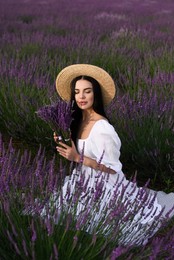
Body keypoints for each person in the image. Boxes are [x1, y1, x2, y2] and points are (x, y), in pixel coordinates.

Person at [47, 64, 174, 245]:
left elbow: (111, 168)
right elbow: (80, 148)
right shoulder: (78, 120)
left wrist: (77, 158)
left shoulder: (103, 128)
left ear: (95, 94)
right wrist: (62, 137)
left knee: (103, 219)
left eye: (87, 91)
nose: (81, 97)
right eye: (77, 92)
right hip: (85, 179)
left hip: (106, 184)